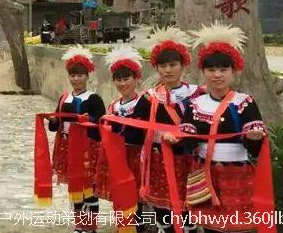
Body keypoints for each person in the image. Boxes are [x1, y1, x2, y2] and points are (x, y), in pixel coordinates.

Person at [170, 23, 268, 233]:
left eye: (223, 70)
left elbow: (256, 150)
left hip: (237, 175)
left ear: (234, 72)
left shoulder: (244, 103)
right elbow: (188, 144)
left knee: (237, 228)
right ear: (203, 72)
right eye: (211, 70)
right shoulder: (195, 105)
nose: (217, 75)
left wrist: (254, 138)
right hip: (206, 175)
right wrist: (177, 139)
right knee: (209, 227)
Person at [135, 27, 203, 233]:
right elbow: (136, 126)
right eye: (162, 65)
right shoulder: (149, 97)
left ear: (183, 65)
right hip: (159, 160)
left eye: (173, 65)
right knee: (162, 208)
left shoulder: (197, 95)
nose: (167, 70)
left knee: (188, 207)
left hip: (188, 158)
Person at [48, 46, 106, 233]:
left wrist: (89, 121)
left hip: (88, 149)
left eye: (80, 75)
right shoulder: (64, 98)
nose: (76, 79)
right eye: (73, 75)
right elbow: (56, 126)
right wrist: (53, 120)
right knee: (75, 186)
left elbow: (102, 126)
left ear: (87, 76)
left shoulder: (94, 99)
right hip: (68, 148)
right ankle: (79, 225)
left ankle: (90, 227)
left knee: (89, 189)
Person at [94, 46, 147, 232]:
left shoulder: (144, 102)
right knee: (120, 196)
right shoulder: (114, 105)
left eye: (126, 79)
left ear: (136, 78)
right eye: (118, 79)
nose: (122, 83)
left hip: (137, 157)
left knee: (136, 199)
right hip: (118, 158)